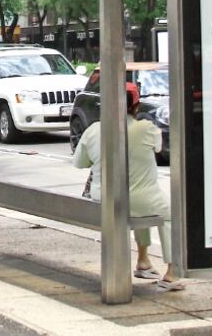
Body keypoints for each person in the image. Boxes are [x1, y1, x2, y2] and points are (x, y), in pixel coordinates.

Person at [72, 82, 183, 291]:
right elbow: (159, 148)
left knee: (141, 202)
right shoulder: (147, 129)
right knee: (167, 213)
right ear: (136, 106)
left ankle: (144, 261)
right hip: (141, 200)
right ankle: (171, 272)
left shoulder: (93, 130)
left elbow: (79, 163)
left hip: (103, 199)